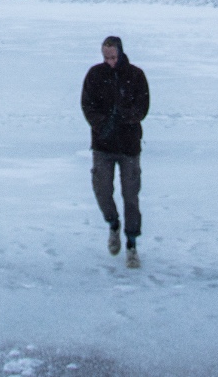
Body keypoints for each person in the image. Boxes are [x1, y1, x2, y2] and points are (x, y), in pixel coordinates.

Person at [82, 35, 149, 268]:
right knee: (101, 189)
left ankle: (131, 245)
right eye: (105, 57)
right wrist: (102, 124)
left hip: (129, 147)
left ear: (120, 53)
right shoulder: (95, 75)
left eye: (112, 57)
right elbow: (87, 105)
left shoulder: (136, 76)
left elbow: (143, 107)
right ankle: (113, 224)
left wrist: (123, 118)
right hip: (103, 146)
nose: (109, 61)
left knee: (131, 196)